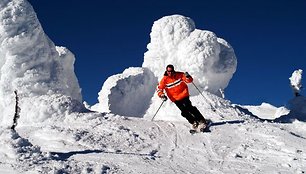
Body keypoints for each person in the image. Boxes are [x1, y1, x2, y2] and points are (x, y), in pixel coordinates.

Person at [157, 64, 208, 130]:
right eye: (168, 71)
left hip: (184, 94)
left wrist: (188, 77)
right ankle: (193, 122)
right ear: (166, 71)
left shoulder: (180, 74)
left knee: (189, 107)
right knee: (184, 111)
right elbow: (159, 89)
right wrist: (162, 95)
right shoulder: (164, 80)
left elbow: (189, 81)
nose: (170, 73)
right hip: (175, 98)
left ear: (173, 70)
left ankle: (201, 120)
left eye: (171, 71)